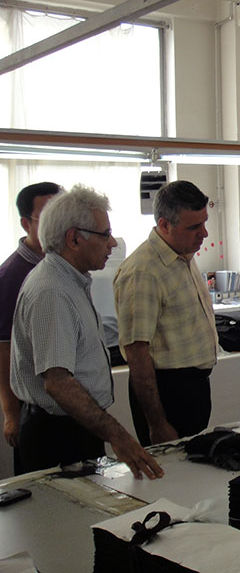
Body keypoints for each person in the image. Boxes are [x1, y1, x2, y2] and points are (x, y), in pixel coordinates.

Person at [10, 185, 162, 479]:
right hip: (57, 435)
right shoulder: (53, 291)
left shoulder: (71, 281)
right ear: (74, 239)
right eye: (105, 234)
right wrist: (117, 435)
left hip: (76, 427)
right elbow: (58, 383)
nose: (112, 244)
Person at [113, 181, 217, 446]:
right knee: (171, 469)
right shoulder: (143, 271)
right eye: (193, 227)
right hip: (166, 392)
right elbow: (137, 354)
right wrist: (157, 423)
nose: (204, 234)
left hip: (193, 388)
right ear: (164, 225)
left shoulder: (183, 254)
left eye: (204, 223)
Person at [0, 182, 60, 475]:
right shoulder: (11, 275)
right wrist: (10, 414)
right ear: (26, 224)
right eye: (48, 216)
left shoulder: (62, 265)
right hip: (35, 407)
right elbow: (4, 350)